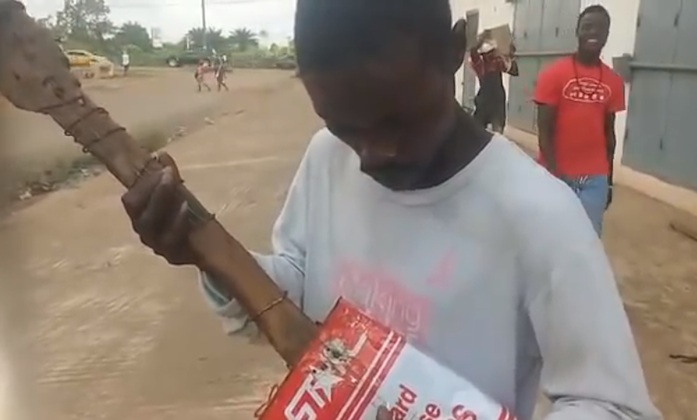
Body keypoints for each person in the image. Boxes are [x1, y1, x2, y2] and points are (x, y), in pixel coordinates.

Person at [120, 0, 661, 419]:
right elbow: (297, 285)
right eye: (344, 126)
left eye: (399, 120)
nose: (374, 156)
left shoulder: (540, 215)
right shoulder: (328, 159)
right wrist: (206, 251)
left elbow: (614, 405)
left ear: (455, 50)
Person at [533, 5, 625, 237]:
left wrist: (609, 181)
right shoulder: (553, 74)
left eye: (601, 28)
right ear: (577, 31)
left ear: (607, 34)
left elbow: (609, 134)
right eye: (587, 27)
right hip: (556, 174)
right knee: (551, 237)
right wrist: (554, 177)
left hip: (595, 178)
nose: (594, 33)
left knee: (587, 240)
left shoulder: (613, 82)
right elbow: (544, 131)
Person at [469, 30, 518, 134]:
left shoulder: (498, 61)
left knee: (498, 132)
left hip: (497, 101)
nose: (491, 55)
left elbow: (514, 70)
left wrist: (509, 52)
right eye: (489, 53)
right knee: (476, 132)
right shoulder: (479, 63)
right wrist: (481, 40)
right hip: (484, 100)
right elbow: (473, 51)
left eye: (492, 52)